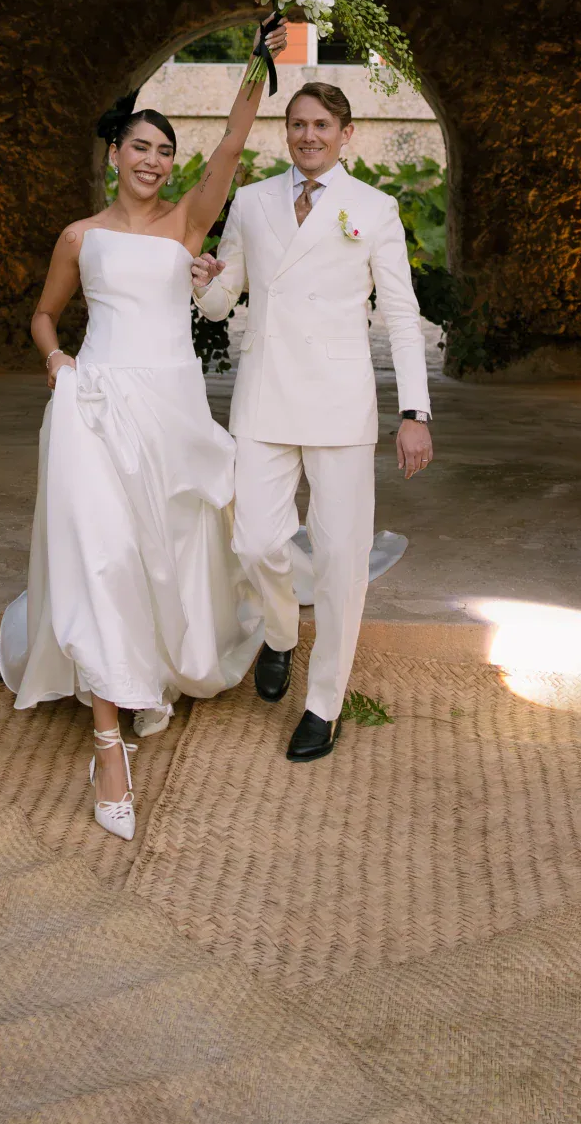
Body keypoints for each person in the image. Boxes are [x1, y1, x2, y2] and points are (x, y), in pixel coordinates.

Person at [0, 12, 286, 842]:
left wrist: (257, 59)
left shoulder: (186, 225)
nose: (155, 160)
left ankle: (148, 669)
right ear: (115, 153)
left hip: (170, 406)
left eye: (165, 150)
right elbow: (45, 316)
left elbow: (232, 146)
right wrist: (56, 361)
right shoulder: (78, 236)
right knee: (105, 551)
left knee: (166, 547)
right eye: (141, 147)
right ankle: (106, 739)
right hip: (92, 406)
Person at [191, 82, 434, 763]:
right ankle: (279, 631)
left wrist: (414, 411)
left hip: (339, 401)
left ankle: (322, 702)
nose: (308, 135)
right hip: (266, 396)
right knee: (256, 542)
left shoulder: (376, 208)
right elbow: (218, 303)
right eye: (297, 124)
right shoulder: (253, 200)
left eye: (321, 124)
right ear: (286, 131)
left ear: (345, 132)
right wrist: (202, 277)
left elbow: (402, 315)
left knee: (340, 560)